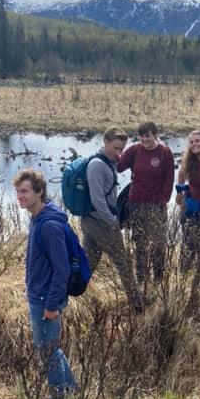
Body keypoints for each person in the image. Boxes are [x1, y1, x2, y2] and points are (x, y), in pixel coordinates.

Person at [13, 168, 76, 399]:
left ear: (39, 192)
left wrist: (51, 305)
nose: (20, 196)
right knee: (48, 349)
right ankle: (69, 389)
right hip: (38, 295)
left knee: (47, 350)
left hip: (45, 300)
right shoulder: (37, 218)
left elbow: (62, 270)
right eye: (18, 192)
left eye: (26, 192)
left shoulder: (49, 226)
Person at [81, 127, 142, 309]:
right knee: (122, 261)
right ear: (105, 142)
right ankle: (137, 303)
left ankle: (70, 294)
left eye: (121, 149)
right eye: (115, 148)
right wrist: (112, 222)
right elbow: (97, 199)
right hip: (99, 221)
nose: (119, 152)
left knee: (89, 262)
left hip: (93, 221)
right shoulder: (97, 165)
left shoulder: (107, 162)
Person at [117, 121, 175, 284]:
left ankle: (158, 279)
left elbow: (169, 179)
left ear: (155, 134)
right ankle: (141, 279)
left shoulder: (164, 152)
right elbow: (119, 166)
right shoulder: (135, 150)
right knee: (140, 243)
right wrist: (114, 151)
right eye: (141, 136)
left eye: (147, 136)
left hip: (156, 205)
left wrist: (163, 201)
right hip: (135, 202)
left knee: (158, 243)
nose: (144, 139)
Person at [175, 129, 200, 270]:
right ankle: (183, 276)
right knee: (188, 243)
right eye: (191, 142)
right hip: (191, 206)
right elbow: (181, 175)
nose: (194, 144)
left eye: (198, 141)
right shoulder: (189, 161)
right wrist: (179, 193)